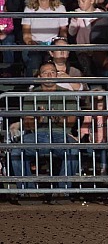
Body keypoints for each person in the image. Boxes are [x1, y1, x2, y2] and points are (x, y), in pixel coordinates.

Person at [10, 61, 79, 189]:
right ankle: (27, 189)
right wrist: (38, 119)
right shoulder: (31, 95)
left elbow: (71, 120)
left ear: (57, 76)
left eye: (52, 72)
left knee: (73, 149)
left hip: (60, 135)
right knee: (16, 150)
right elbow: (28, 124)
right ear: (39, 76)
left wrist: (57, 118)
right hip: (36, 135)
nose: (49, 75)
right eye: (45, 72)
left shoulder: (67, 94)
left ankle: (63, 190)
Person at [21, 0, 68, 77]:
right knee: (34, 58)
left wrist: (60, 42)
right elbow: (26, 33)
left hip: (53, 44)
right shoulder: (29, 9)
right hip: (35, 43)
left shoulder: (60, 8)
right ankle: (32, 85)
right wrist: (32, 44)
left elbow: (63, 30)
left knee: (59, 56)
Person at [67, 0, 103, 77]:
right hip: (82, 49)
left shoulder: (100, 15)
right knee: (87, 69)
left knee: (98, 69)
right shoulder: (78, 14)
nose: (80, 4)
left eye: (83, 1)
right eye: (78, 1)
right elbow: (71, 32)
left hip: (97, 49)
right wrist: (74, 20)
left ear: (92, 1)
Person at [0, 0, 15, 64]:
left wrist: (4, 33)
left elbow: (12, 21)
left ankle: (9, 69)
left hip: (7, 30)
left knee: (8, 42)